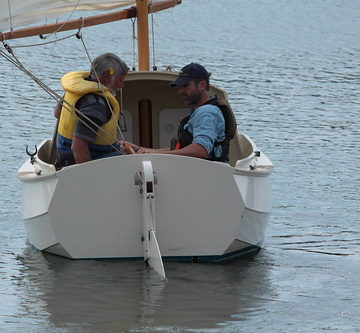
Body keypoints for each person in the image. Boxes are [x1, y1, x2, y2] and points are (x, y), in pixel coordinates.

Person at [122, 63, 232, 162]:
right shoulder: (198, 112)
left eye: (185, 86)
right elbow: (180, 150)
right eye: (180, 87)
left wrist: (155, 154)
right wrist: (140, 150)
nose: (180, 91)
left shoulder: (207, 113)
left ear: (202, 85)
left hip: (207, 174)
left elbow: (200, 150)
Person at [55, 53, 128, 166]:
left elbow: (57, 113)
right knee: (136, 158)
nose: (121, 85)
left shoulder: (77, 89)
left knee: (129, 148)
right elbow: (78, 147)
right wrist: (89, 178)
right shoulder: (97, 106)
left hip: (62, 154)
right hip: (76, 162)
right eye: (120, 80)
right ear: (106, 77)